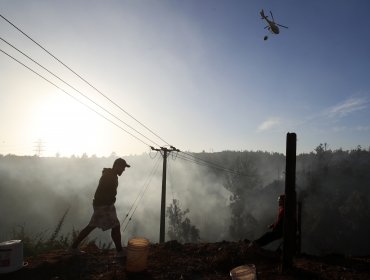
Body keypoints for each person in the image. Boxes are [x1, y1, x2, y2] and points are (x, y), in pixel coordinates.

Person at [69, 158, 130, 257]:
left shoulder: (111, 175)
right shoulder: (109, 176)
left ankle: (73, 247)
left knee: (92, 226)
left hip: (102, 205)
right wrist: (107, 202)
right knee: (115, 226)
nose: (124, 170)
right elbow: (101, 192)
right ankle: (120, 252)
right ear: (117, 166)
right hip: (104, 206)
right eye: (123, 167)